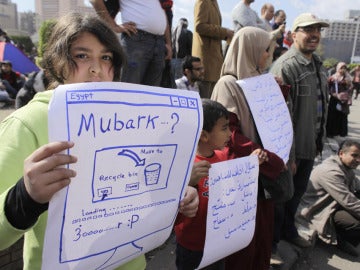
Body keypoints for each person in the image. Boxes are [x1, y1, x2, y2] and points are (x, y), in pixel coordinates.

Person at [0, 13, 198, 270]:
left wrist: (176, 195)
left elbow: (141, 188)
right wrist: (25, 198)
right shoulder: (27, 123)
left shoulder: (136, 117)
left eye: (106, 58)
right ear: (56, 61)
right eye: (82, 56)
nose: (96, 68)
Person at [175, 98, 284, 270]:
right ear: (204, 135)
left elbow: (236, 183)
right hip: (193, 247)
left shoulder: (224, 157)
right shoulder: (185, 166)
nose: (229, 134)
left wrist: (252, 162)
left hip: (220, 244)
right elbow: (170, 207)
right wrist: (189, 181)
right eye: (224, 128)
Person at [211, 26, 286, 270]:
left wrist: (279, 92)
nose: (268, 56)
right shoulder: (228, 84)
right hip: (243, 176)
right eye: (265, 50)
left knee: (261, 239)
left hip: (262, 174)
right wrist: (270, 159)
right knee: (243, 245)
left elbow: (273, 123)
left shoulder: (258, 82)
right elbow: (230, 137)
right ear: (250, 50)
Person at [270, 13, 330, 250]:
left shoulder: (317, 65)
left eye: (317, 29)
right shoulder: (286, 66)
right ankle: (272, 245)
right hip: (292, 151)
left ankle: (288, 231)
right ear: (293, 35)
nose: (314, 34)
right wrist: (289, 156)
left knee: (296, 196)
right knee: (280, 198)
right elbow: (281, 118)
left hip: (310, 145)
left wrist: (319, 142)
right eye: (308, 29)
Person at [296, 140, 360, 257]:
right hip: (318, 211)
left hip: (333, 204)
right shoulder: (331, 172)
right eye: (354, 155)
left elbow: (356, 186)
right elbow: (349, 202)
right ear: (341, 153)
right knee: (356, 224)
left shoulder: (345, 167)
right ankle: (340, 239)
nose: (358, 160)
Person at [90, 0, 172, 87]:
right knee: (128, 89)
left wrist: (168, 43)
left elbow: (163, 12)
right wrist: (114, 26)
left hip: (159, 42)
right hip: (136, 40)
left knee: (152, 93)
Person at [192, 0, 234, 98]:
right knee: (205, 99)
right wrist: (225, 32)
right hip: (206, 60)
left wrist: (225, 34)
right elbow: (199, 26)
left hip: (213, 60)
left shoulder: (213, 2)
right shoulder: (203, 2)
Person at [326, 62, 352, 138]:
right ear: (338, 68)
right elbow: (328, 88)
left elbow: (350, 88)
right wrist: (335, 95)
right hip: (334, 100)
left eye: (344, 68)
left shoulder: (348, 78)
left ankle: (340, 132)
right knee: (332, 116)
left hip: (344, 101)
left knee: (342, 116)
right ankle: (330, 132)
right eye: (341, 68)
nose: (343, 70)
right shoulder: (332, 78)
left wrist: (347, 96)